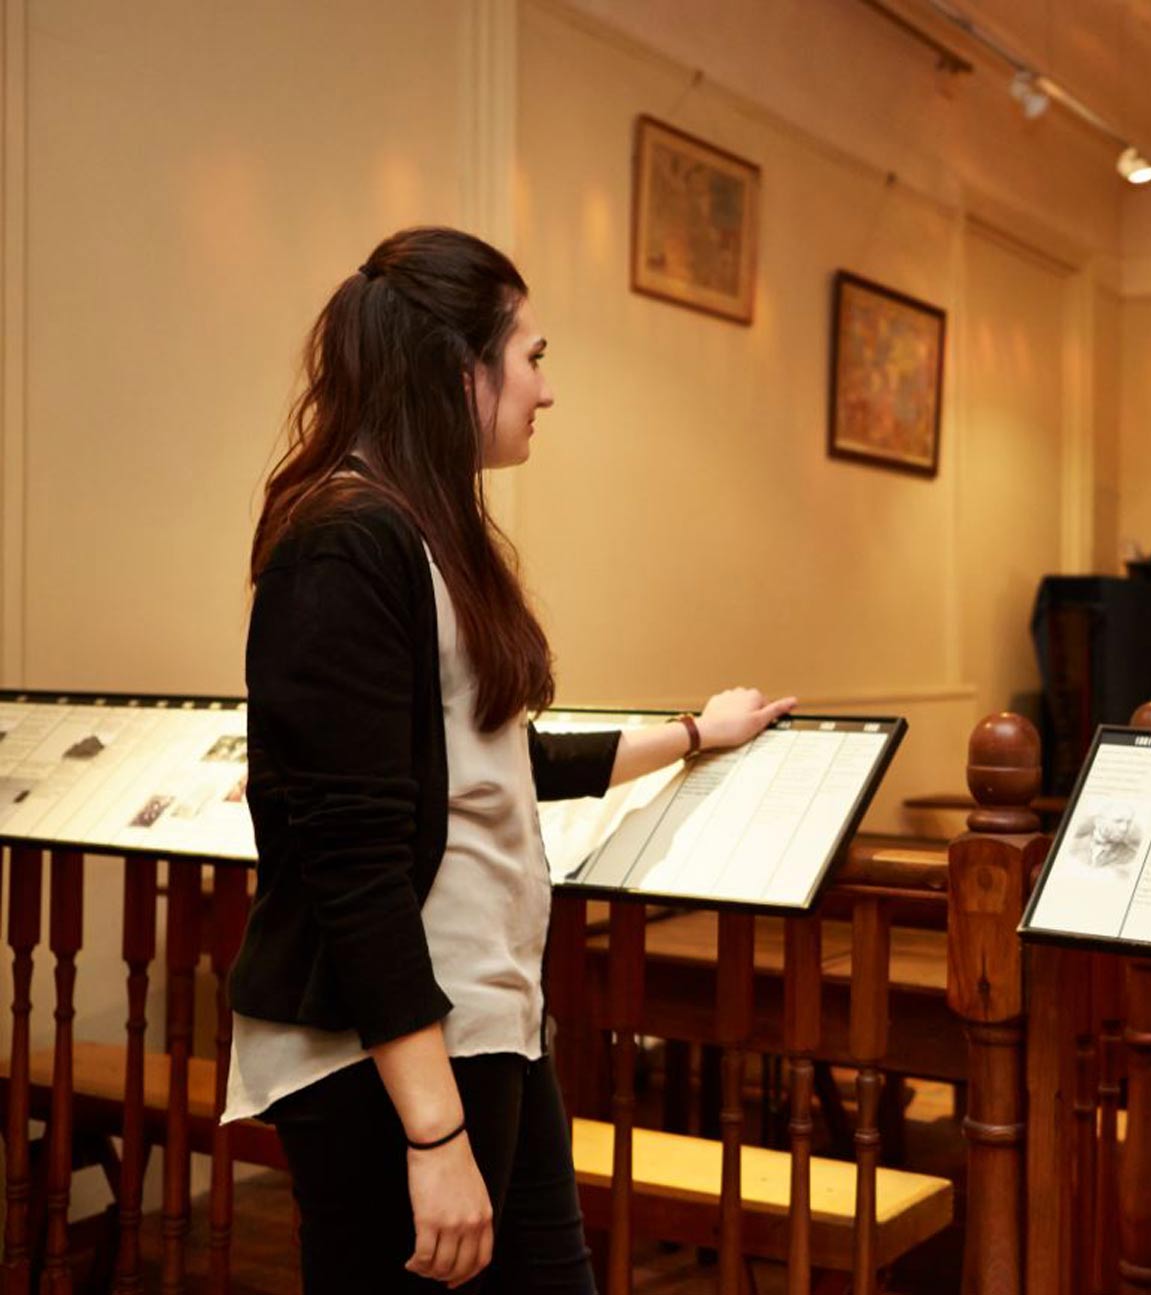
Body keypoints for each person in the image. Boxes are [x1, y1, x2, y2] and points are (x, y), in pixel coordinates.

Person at [223, 226, 795, 1292]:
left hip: (484, 1024)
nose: (546, 388)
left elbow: (481, 755)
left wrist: (691, 735)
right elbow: (351, 859)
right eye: (532, 355)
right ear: (459, 367)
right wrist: (434, 1133)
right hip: (389, 1055)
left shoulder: (422, 530)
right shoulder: (347, 539)